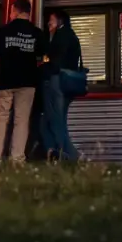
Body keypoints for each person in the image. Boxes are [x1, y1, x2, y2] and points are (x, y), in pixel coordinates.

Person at [0, 0, 46, 162]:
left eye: (11, 11)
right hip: (27, 81)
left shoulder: (3, 31)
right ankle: (17, 158)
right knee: (22, 120)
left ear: (15, 11)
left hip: (6, 80)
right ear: (28, 13)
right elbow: (41, 57)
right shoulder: (37, 33)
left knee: (1, 118)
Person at [41, 8, 82, 162]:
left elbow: (53, 60)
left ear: (60, 21)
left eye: (51, 21)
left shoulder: (60, 36)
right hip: (66, 83)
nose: (48, 24)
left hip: (57, 80)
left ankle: (68, 153)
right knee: (53, 119)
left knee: (55, 118)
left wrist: (45, 61)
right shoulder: (72, 35)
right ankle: (55, 151)